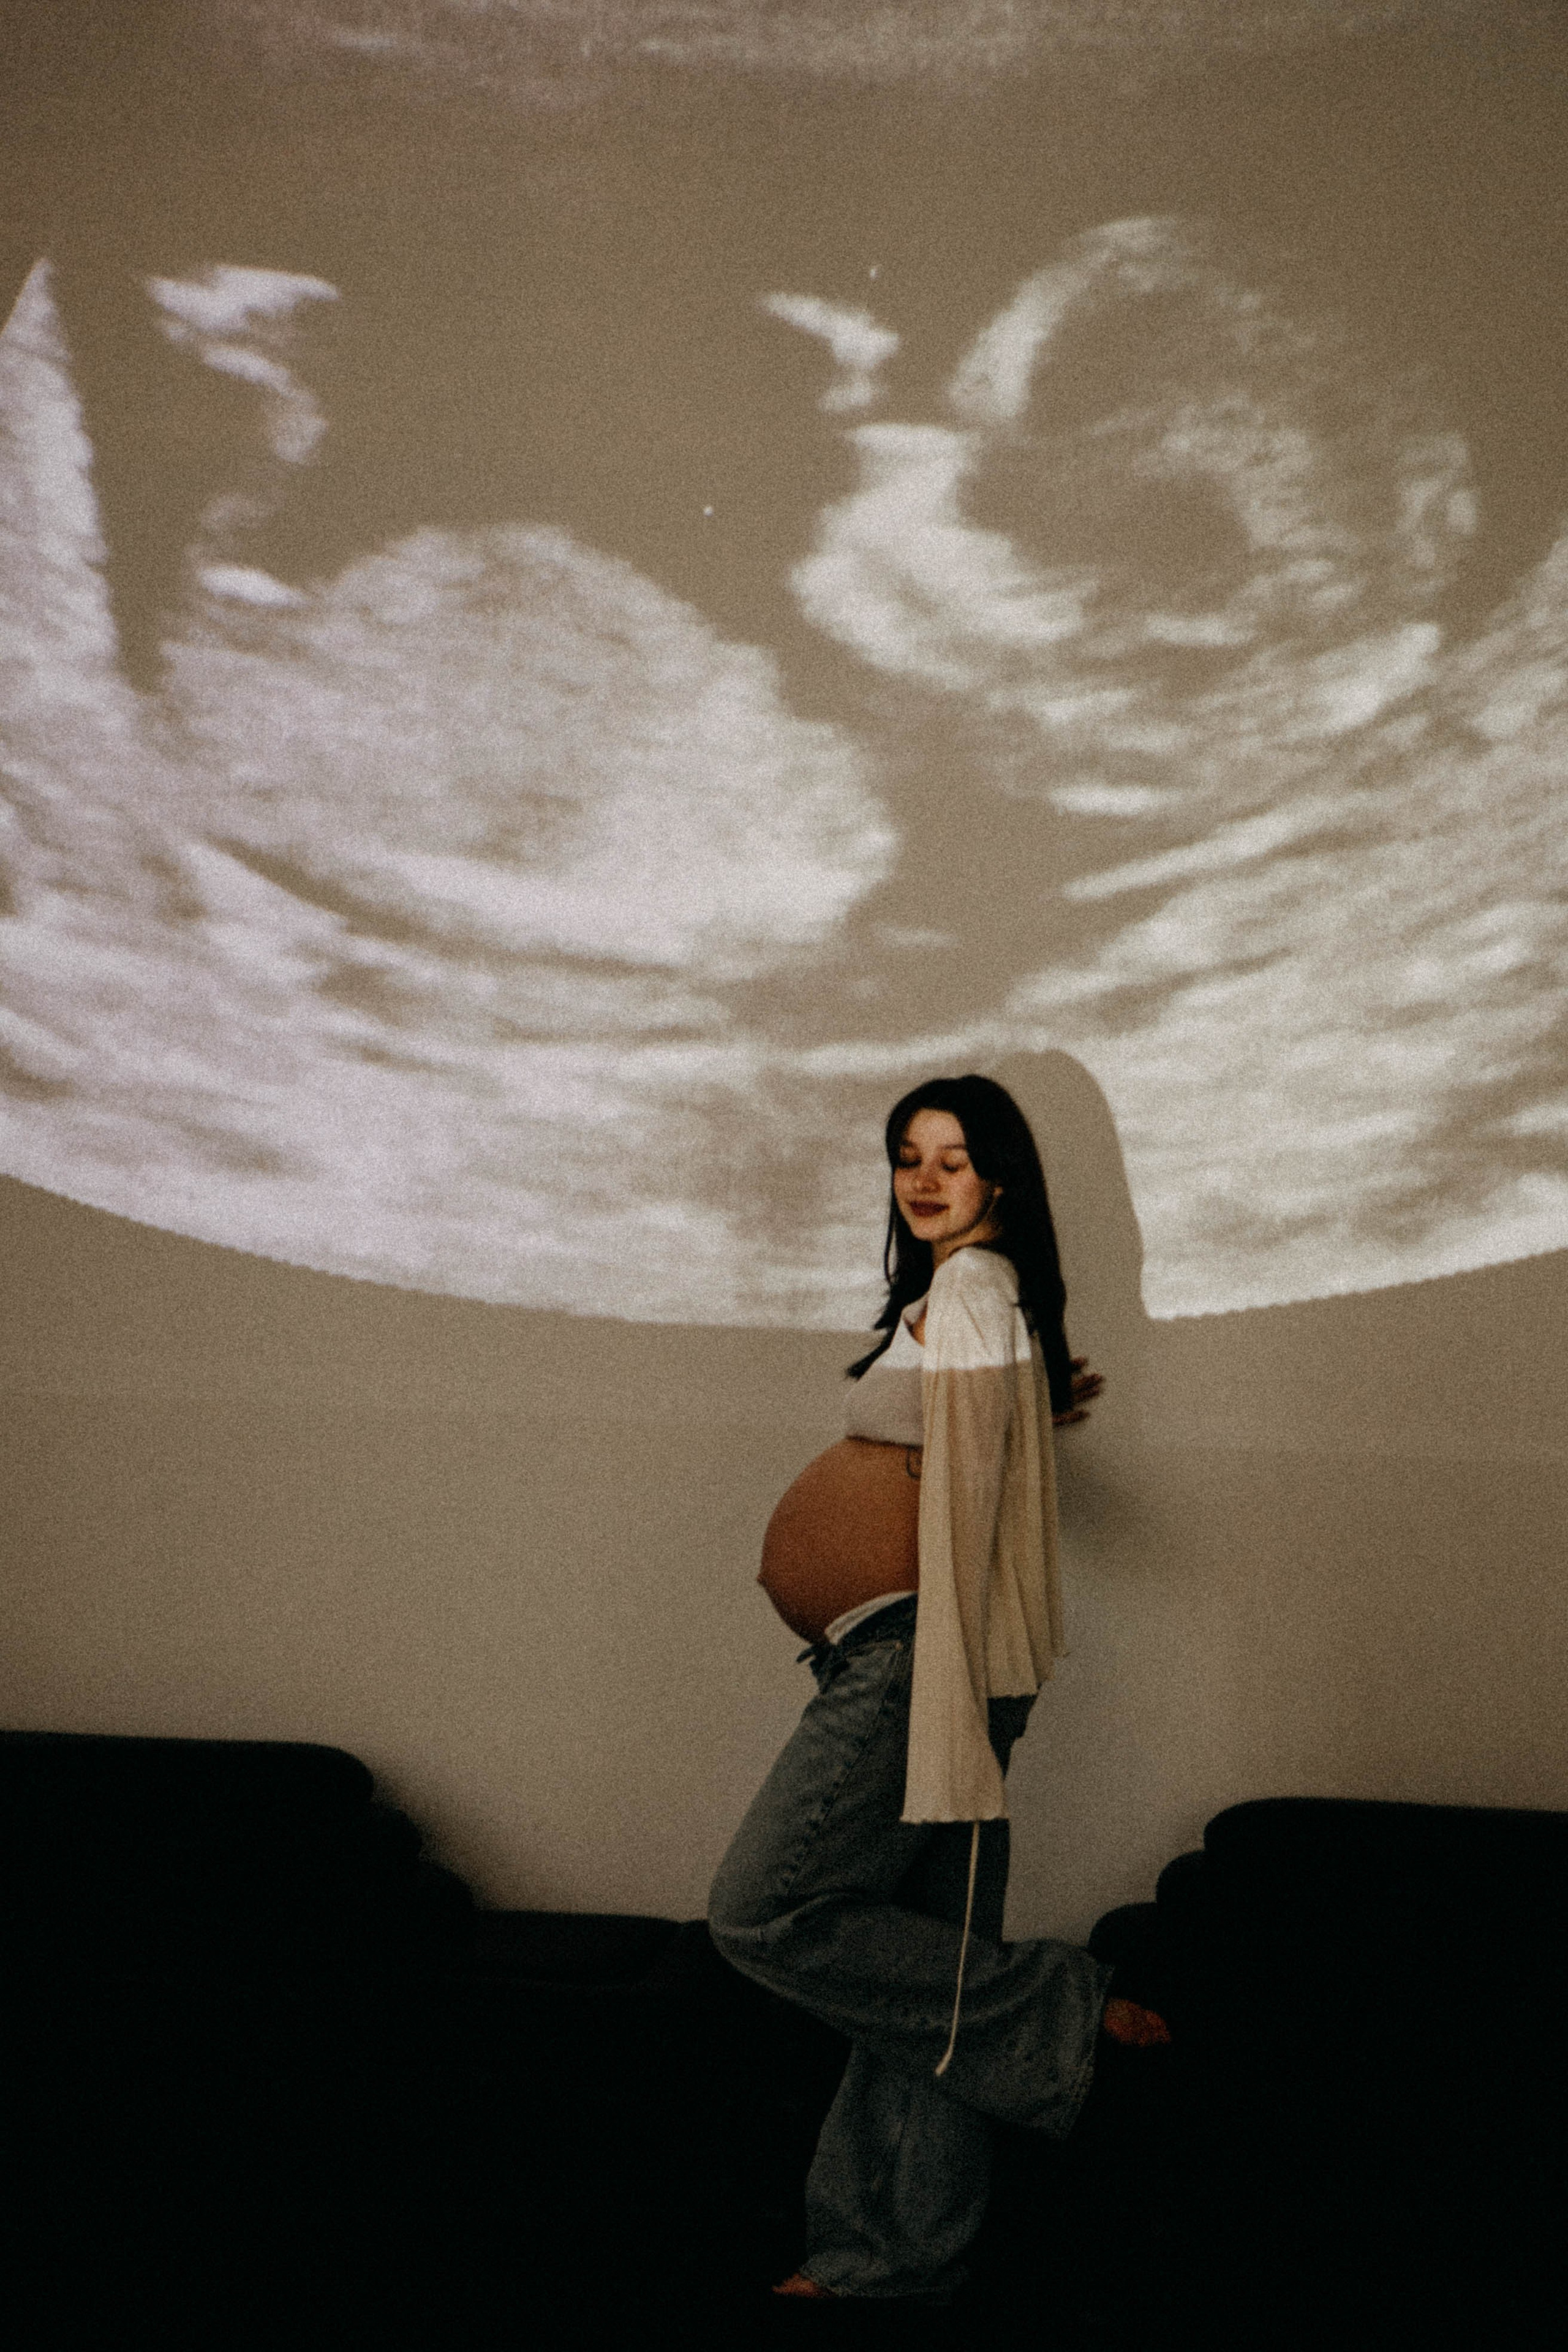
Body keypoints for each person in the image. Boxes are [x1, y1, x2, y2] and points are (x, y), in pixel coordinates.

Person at [707, 1072, 1170, 2308]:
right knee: (917, 1985)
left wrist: (950, 1689)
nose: (921, 1178)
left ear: (999, 1179)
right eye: (906, 1155)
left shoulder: (970, 1288)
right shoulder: (971, 1298)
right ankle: (887, 2259)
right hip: (910, 1656)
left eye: (951, 1159)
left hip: (922, 1659)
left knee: (763, 1908)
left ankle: (1065, 2014)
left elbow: (963, 1497)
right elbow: (975, 1451)